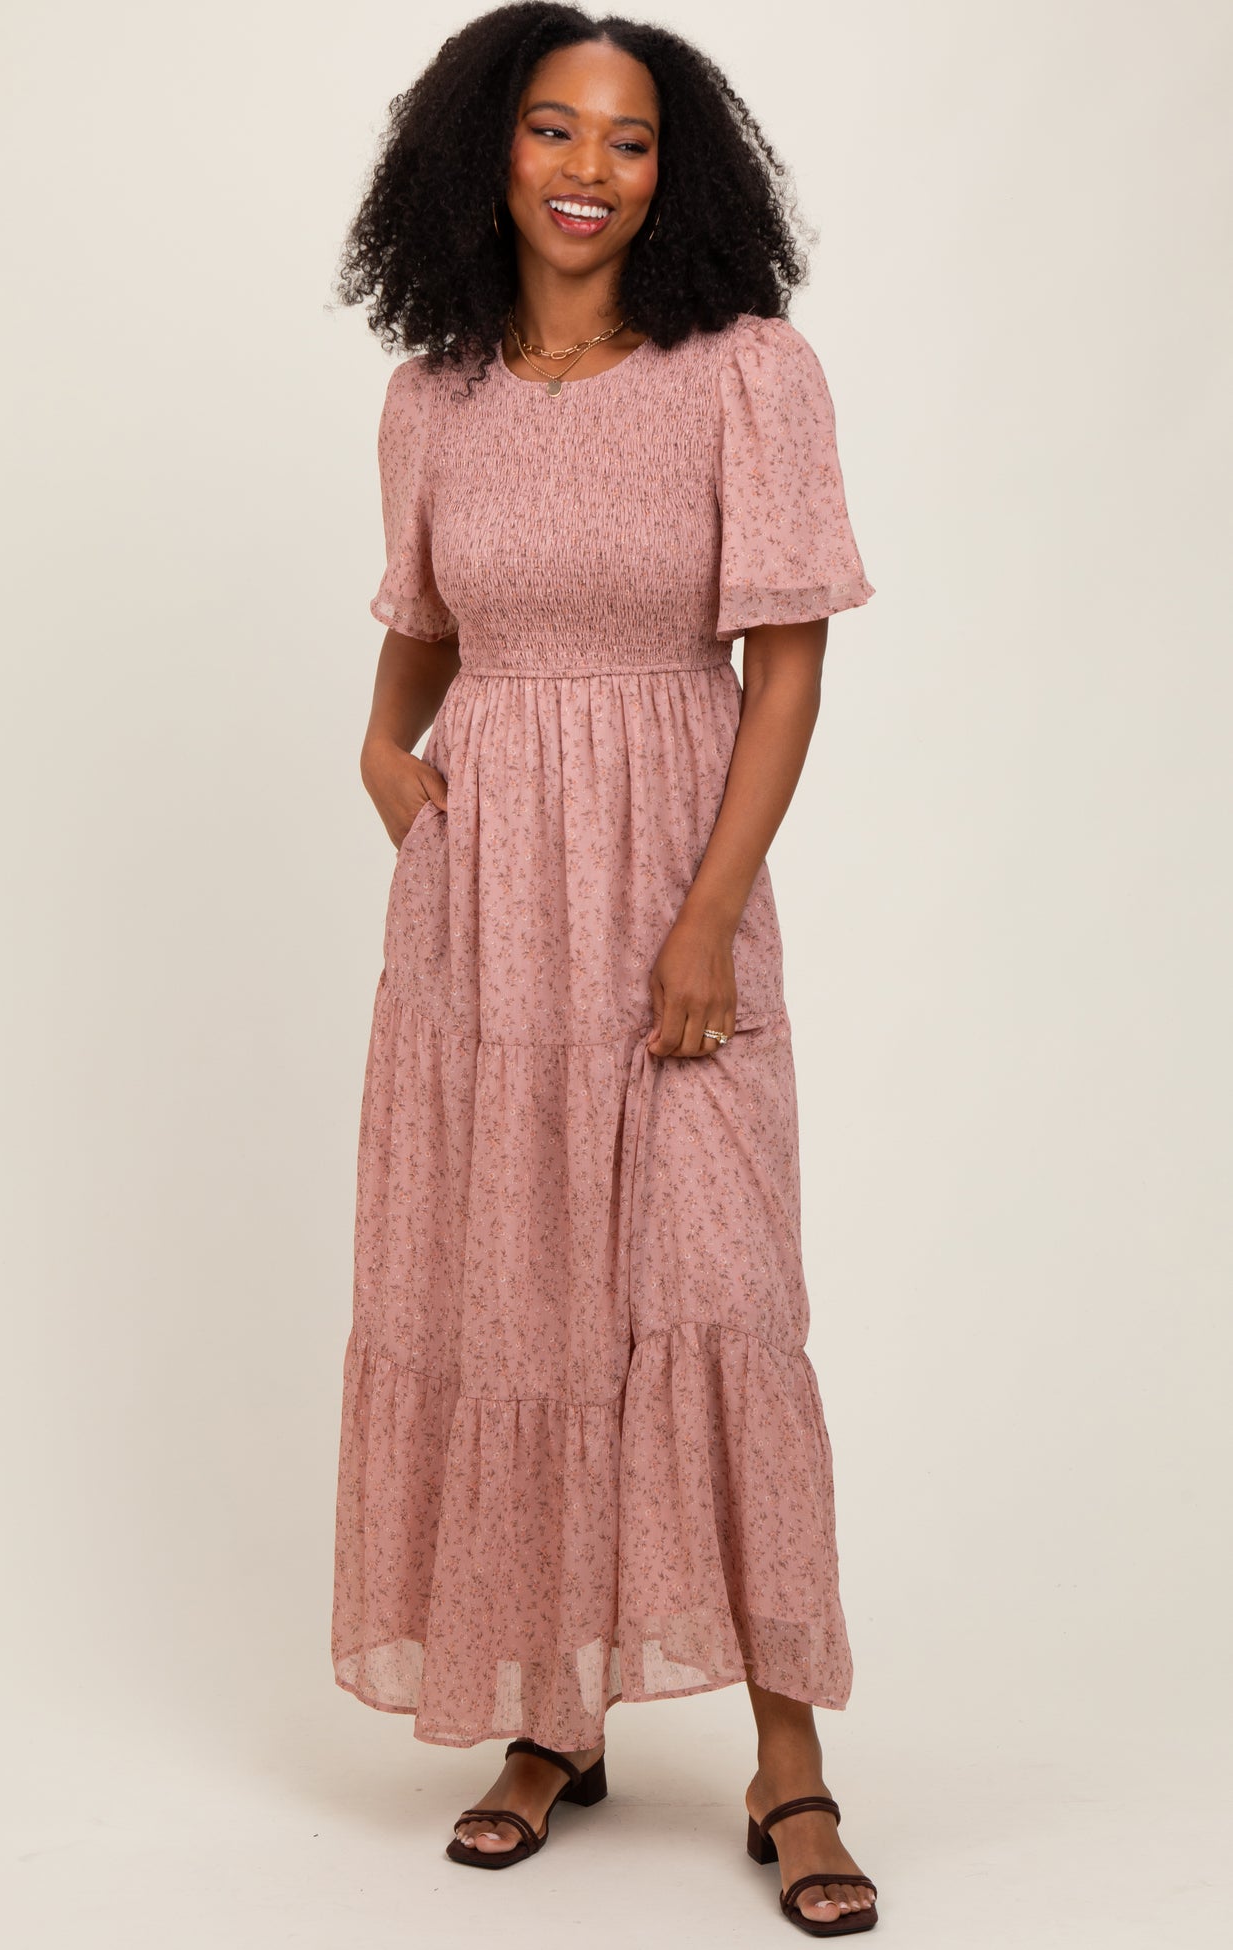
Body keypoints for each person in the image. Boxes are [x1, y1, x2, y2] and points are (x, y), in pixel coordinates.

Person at [332, 6, 880, 1935]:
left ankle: (789, 1762)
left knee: (721, 1299)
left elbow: (787, 664)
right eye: (553, 129)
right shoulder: (433, 394)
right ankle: (547, 1718)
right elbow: (425, 621)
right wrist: (385, 751)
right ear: (486, 152)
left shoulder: (749, 372)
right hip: (485, 915)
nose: (589, 169)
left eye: (630, 140)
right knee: (521, 1295)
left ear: (677, 171)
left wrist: (710, 912)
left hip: (668, 884)